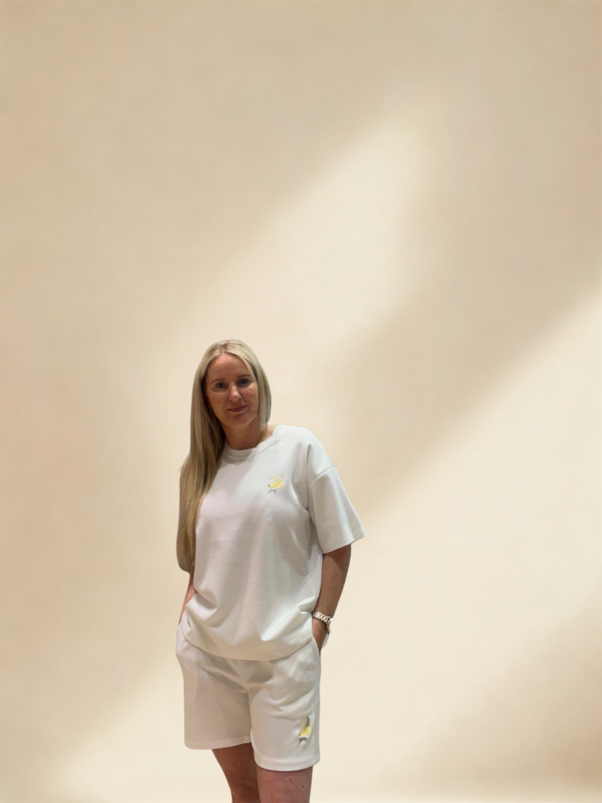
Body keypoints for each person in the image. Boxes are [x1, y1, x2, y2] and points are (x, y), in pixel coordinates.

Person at [175, 339, 367, 803]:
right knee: (244, 792)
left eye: (243, 381)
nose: (234, 394)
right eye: (220, 386)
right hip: (210, 657)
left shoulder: (299, 449)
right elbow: (201, 560)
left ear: (260, 385)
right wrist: (184, 624)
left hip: (284, 656)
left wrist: (319, 625)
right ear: (205, 399)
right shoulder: (199, 469)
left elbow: (338, 542)